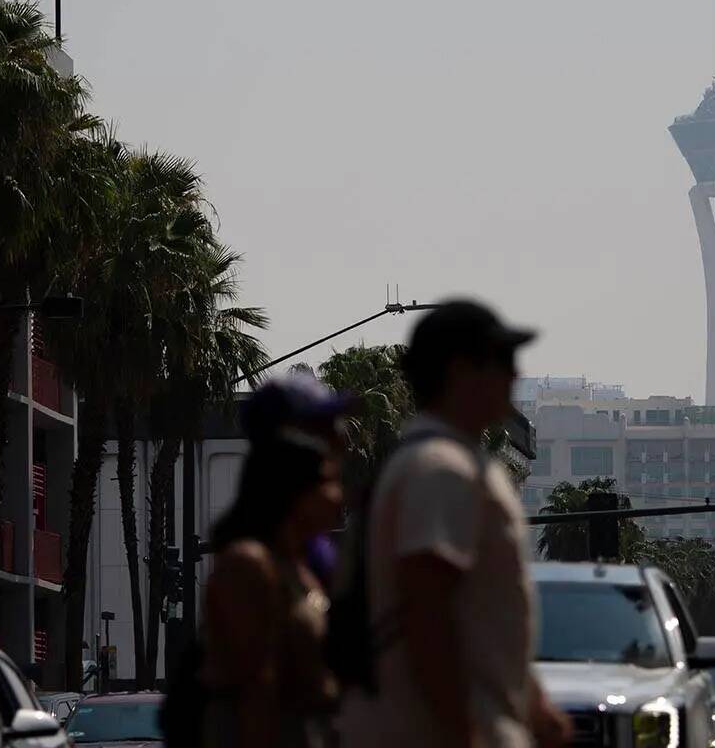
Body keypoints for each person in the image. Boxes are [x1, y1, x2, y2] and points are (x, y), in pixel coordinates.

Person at [339, 300, 572, 748]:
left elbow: (481, 620)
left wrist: (535, 708)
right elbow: (427, 610)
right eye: (502, 361)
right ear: (461, 371)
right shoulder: (440, 469)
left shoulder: (456, 463)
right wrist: (461, 733)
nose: (514, 375)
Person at [201, 377, 351, 748]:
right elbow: (257, 695)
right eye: (325, 481)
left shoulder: (311, 561)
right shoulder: (249, 566)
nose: (338, 439)